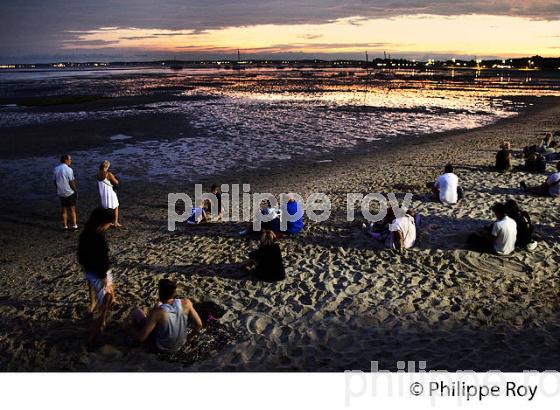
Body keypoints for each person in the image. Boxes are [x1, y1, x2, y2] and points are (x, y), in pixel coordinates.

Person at [129, 278, 203, 352]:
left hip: (162, 347)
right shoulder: (187, 303)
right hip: (181, 344)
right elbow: (199, 324)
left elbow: (141, 339)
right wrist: (189, 338)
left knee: (136, 312)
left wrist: (132, 328)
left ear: (160, 293)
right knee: (158, 304)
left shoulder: (158, 313)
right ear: (174, 293)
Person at [77, 207, 116, 340]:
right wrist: (104, 277)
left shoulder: (86, 233)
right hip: (98, 272)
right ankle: (100, 325)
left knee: (106, 292)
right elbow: (101, 260)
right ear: (102, 222)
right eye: (109, 223)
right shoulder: (98, 239)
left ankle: (100, 310)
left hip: (90, 269)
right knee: (104, 298)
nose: (110, 225)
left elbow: (81, 255)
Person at [53, 154, 78, 231]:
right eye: (70, 159)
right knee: (72, 210)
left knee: (64, 210)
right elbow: (72, 182)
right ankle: (74, 226)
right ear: (66, 160)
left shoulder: (56, 169)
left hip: (60, 192)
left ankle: (65, 226)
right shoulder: (69, 169)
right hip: (69, 192)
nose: (71, 161)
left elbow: (54, 181)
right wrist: (75, 190)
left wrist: (58, 188)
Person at [96, 160, 121, 227]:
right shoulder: (108, 174)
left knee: (105, 208)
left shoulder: (98, 174)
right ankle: (115, 222)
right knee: (115, 207)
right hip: (110, 193)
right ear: (106, 166)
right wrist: (114, 177)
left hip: (103, 193)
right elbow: (116, 182)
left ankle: (107, 223)